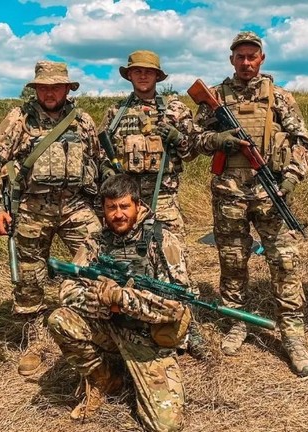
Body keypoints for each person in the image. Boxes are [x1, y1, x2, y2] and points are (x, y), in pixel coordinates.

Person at [192, 31, 308, 377]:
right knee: (232, 261)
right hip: (228, 191)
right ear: (232, 59)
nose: (246, 63)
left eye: (252, 56)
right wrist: (218, 138)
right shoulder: (214, 97)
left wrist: (291, 177)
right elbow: (193, 140)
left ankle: (292, 334)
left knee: (285, 262)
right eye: (240, 57)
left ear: (262, 59)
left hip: (270, 190)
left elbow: (302, 141)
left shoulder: (281, 98)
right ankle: (236, 323)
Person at [0, 61, 102, 377]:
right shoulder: (19, 119)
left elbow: (98, 164)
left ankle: (89, 325)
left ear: (67, 88)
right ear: (35, 89)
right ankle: (34, 342)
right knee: (30, 277)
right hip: (33, 209)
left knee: (98, 263)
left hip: (76, 206)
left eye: (56, 86)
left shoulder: (83, 122)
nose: (50, 92)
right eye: (43, 87)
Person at [48, 173, 189, 432]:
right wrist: (102, 304)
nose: (118, 214)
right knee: (59, 320)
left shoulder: (162, 240)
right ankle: (105, 379)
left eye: (124, 206)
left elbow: (177, 305)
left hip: (148, 339)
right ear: (103, 209)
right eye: (111, 207)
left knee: (165, 426)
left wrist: (123, 299)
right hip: (109, 328)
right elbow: (67, 291)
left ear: (137, 205)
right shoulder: (95, 243)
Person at [99, 50, 207, 358]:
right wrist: (109, 170)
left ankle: (188, 326)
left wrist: (177, 137)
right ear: (129, 75)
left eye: (149, 71)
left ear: (157, 76)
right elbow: (101, 154)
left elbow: (192, 152)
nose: (143, 76)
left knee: (174, 264)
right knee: (128, 261)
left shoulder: (174, 109)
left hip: (163, 198)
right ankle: (134, 322)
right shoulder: (115, 112)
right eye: (137, 71)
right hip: (127, 203)